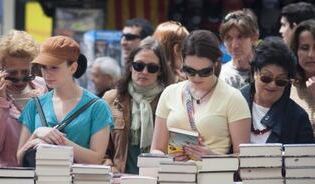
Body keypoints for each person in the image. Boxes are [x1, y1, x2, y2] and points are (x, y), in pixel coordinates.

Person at [151, 30, 251, 161]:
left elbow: (244, 158)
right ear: (182, 61)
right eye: (190, 71)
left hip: (213, 178)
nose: (196, 77)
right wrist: (169, 159)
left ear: (216, 63)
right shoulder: (169, 93)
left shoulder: (233, 97)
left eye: (205, 72)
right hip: (174, 177)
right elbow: (156, 149)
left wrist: (211, 157)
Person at [17, 36, 113, 165]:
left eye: (54, 67)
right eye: (44, 67)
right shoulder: (34, 104)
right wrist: (37, 133)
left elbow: (96, 159)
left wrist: (58, 142)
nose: (47, 73)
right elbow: (19, 158)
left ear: (72, 68)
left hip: (79, 183)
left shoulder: (97, 106)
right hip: (39, 183)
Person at [0, 30, 46, 181]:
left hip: (38, 178)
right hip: (2, 180)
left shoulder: (41, 86)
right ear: (0, 64)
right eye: (12, 74)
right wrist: (0, 104)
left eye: (26, 72)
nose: (19, 80)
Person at [103, 37, 175, 174]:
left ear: (160, 71)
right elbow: (100, 146)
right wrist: (109, 166)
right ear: (130, 66)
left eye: (152, 68)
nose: (144, 72)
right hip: (120, 180)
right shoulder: (111, 98)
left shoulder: (171, 99)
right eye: (139, 65)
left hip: (160, 181)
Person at [240, 38, 313, 144]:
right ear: (255, 73)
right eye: (266, 78)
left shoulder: (298, 118)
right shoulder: (234, 102)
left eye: (281, 81)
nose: (272, 85)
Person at [219, 10, 259, 89]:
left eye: (240, 37)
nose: (234, 45)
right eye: (228, 38)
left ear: (254, 38)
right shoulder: (219, 75)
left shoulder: (266, 74)